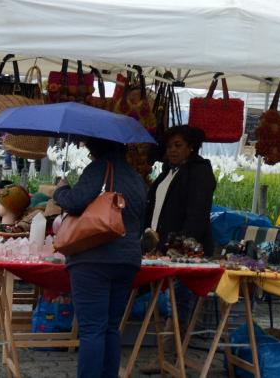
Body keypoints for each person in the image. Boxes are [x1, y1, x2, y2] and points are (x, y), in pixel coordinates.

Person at [49, 137, 147, 378]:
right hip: (127, 260)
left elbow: (75, 202)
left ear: (97, 146)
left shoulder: (99, 168)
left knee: (92, 329)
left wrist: (61, 190)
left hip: (94, 259)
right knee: (111, 328)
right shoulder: (136, 178)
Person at [145, 124, 215, 328]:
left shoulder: (199, 172)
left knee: (179, 303)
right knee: (169, 301)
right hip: (161, 248)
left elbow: (197, 214)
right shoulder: (167, 172)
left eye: (178, 145)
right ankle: (169, 337)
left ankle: (177, 339)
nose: (172, 150)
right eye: (169, 146)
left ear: (191, 147)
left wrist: (179, 245)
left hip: (184, 251)